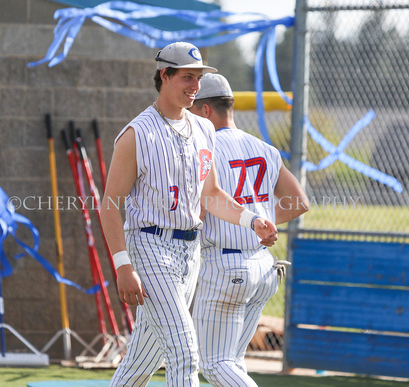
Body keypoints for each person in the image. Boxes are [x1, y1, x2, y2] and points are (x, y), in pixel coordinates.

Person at [101, 42, 279, 387]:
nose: (195, 86)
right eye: (187, 77)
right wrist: (123, 266)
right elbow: (110, 205)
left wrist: (252, 220)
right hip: (150, 247)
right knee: (185, 353)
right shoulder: (136, 134)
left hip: (190, 253)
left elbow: (211, 195)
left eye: (198, 78)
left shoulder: (204, 129)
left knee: (142, 360)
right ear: (164, 76)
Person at [189, 73, 309, 387]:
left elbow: (200, 208)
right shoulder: (264, 147)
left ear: (205, 111)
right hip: (263, 267)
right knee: (232, 362)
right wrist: (263, 220)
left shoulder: (205, 147)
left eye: (191, 109)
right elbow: (299, 202)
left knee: (213, 365)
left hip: (226, 268)